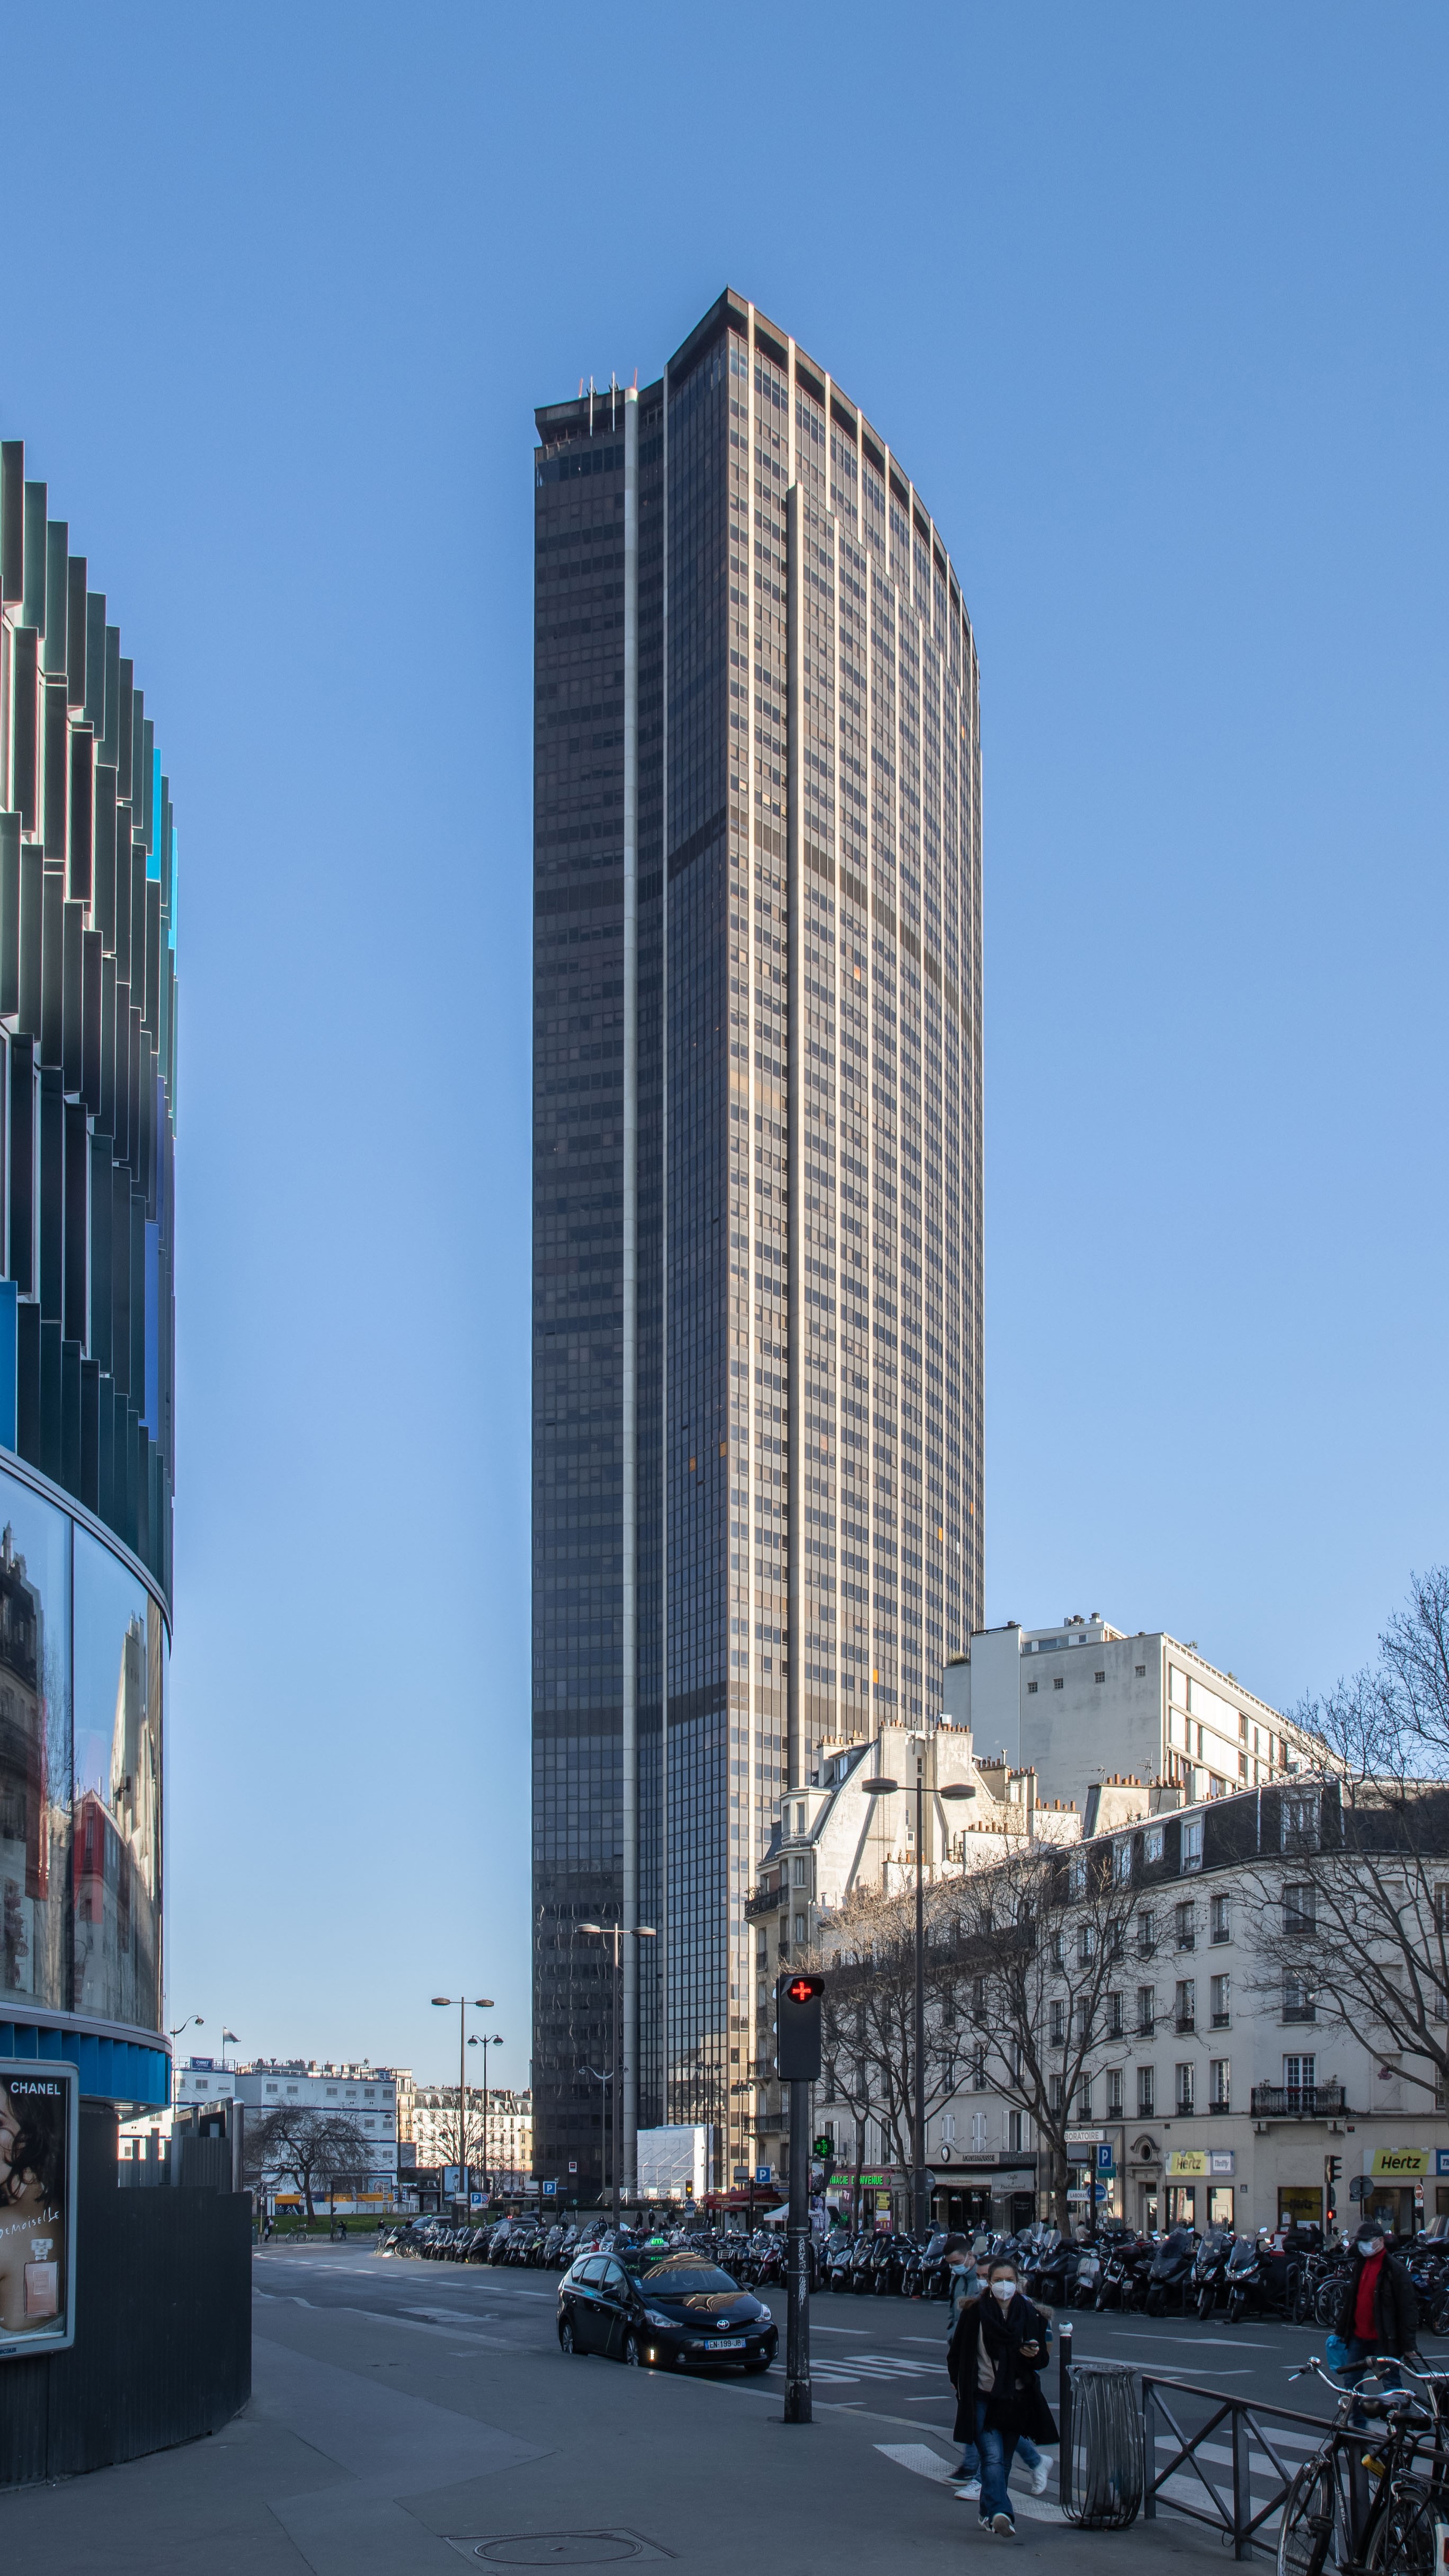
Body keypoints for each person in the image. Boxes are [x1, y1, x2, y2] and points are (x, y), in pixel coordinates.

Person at [947, 2256, 1059, 2537]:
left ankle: (987, 2513)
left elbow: (1042, 2361)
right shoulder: (975, 2313)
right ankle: (1002, 2513)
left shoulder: (1030, 2314)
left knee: (1003, 2461)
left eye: (1010, 2280)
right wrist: (959, 2385)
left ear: (1018, 2282)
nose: (1004, 2286)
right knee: (993, 2458)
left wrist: (1034, 2355)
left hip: (1016, 2399)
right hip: (982, 2397)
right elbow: (956, 2354)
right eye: (998, 2281)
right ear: (988, 2283)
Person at [1332, 2218, 1419, 2416]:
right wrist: (1341, 2331)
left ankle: (1397, 2429)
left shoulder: (1394, 2270)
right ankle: (1357, 2430)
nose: (1363, 2245)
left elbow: (1408, 2308)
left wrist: (1408, 2345)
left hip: (1384, 2339)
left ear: (1380, 2241)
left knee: (1392, 2387)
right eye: (1360, 2241)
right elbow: (1352, 2300)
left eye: (1367, 2241)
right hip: (1359, 2336)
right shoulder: (1361, 2264)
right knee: (1351, 2383)